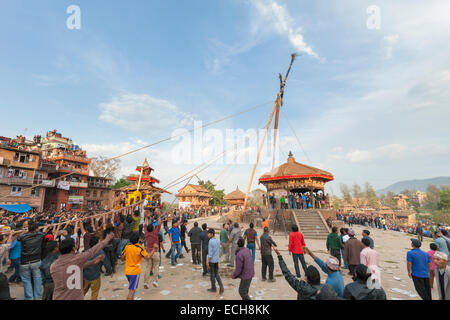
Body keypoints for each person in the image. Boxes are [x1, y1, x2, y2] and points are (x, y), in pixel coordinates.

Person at [50, 232, 114, 300]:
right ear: (73, 248)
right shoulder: (77, 259)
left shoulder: (53, 266)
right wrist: (106, 240)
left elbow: (73, 267)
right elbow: (92, 251)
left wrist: (93, 262)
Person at [273, 247, 338, 300]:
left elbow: (288, 275)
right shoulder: (326, 289)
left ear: (307, 278)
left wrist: (279, 256)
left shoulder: (302, 287)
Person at [122, 232, 157, 300]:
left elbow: (123, 258)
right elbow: (147, 257)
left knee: (132, 289)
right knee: (131, 291)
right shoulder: (140, 248)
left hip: (127, 271)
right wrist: (154, 250)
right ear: (138, 239)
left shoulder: (127, 246)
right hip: (135, 272)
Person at [17, 222, 45, 300]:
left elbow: (18, 237)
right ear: (36, 229)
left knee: (26, 280)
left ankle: (29, 298)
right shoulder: (40, 235)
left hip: (25, 261)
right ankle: (37, 297)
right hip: (36, 260)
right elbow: (43, 233)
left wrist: (24, 231)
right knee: (37, 279)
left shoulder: (23, 236)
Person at [83, 236, 109, 300]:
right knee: (94, 293)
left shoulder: (85, 251)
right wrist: (110, 271)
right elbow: (106, 262)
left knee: (83, 291)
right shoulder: (100, 252)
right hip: (95, 276)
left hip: (85, 276)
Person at [143, 214, 161, 288]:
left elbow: (144, 224)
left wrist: (146, 217)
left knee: (148, 267)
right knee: (156, 266)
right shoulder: (155, 233)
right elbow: (159, 224)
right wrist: (159, 217)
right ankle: (155, 281)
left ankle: (146, 283)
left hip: (148, 252)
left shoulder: (146, 233)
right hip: (155, 252)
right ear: (153, 228)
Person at [206, 228, 224, 294]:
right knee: (216, 274)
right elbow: (219, 250)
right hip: (216, 260)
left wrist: (207, 261)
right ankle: (221, 285)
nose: (208, 235)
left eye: (208, 234)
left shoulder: (210, 241)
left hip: (212, 261)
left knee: (212, 275)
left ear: (212, 234)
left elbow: (210, 254)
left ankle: (213, 288)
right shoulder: (218, 240)